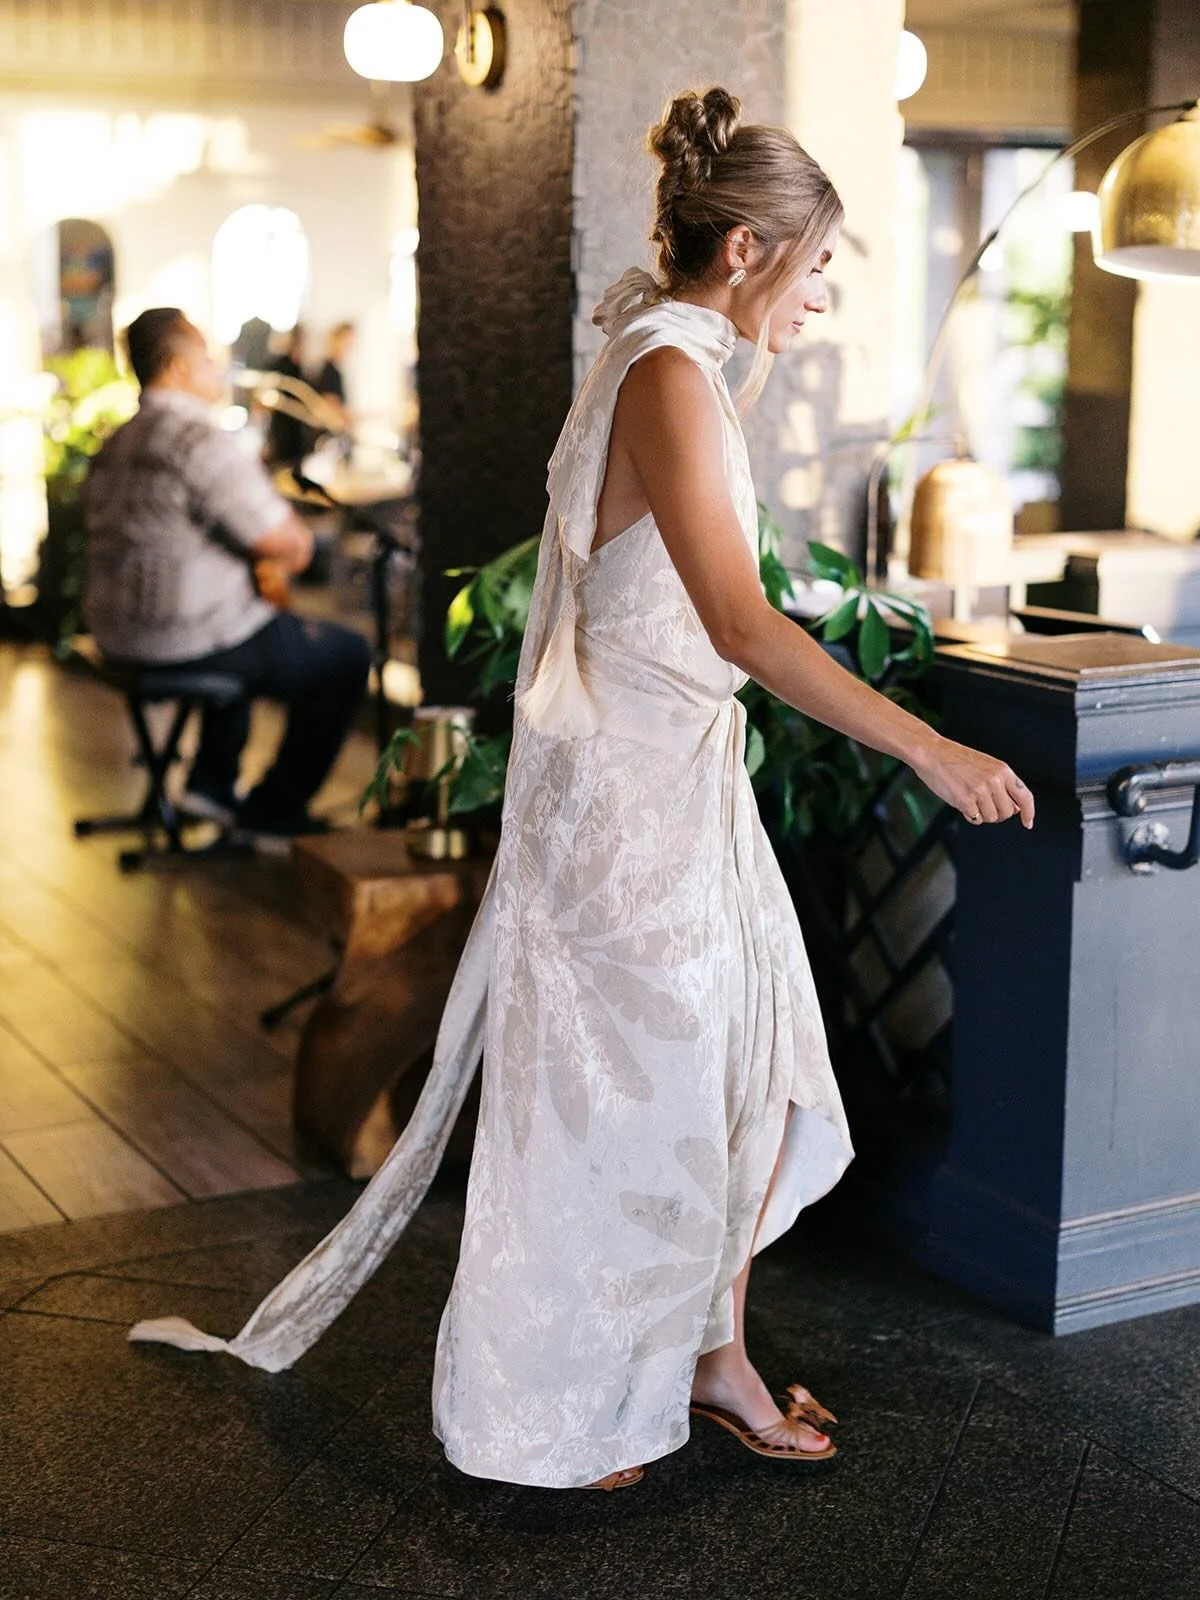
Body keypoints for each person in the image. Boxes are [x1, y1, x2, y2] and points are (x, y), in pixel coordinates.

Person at [129, 90, 1034, 1487]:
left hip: (681, 779)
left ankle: (712, 1358)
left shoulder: (678, 353)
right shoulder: (669, 368)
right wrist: (929, 743)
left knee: (743, 1074)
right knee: (623, 1103)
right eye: (820, 264)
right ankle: (555, 1412)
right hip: (627, 803)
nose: (825, 297)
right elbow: (737, 621)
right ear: (745, 253)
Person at [84, 307, 371, 841]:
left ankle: (210, 787)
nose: (219, 370)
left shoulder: (116, 441)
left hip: (113, 633)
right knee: (343, 656)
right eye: (208, 358)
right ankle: (272, 812)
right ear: (177, 367)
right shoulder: (195, 440)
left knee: (250, 621)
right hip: (183, 636)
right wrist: (292, 545)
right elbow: (285, 542)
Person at [313, 321, 355, 435]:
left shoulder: (335, 370)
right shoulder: (328, 371)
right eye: (347, 341)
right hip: (327, 435)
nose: (350, 346)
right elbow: (329, 407)